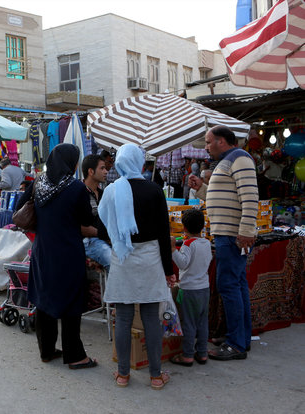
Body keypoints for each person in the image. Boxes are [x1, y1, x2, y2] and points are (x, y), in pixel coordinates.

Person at [99, 143, 174, 390]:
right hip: (151, 256)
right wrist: (169, 269)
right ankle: (155, 376)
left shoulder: (111, 191)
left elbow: (103, 223)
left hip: (122, 256)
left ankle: (122, 375)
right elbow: (164, 233)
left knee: (123, 317)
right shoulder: (154, 190)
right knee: (151, 317)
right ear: (139, 162)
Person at [16, 143, 98, 370]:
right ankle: (75, 356)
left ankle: (47, 351)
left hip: (43, 251)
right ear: (72, 163)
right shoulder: (76, 188)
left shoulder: (38, 183)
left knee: (44, 300)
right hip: (68, 252)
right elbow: (87, 220)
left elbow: (20, 207)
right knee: (71, 303)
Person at [188, 125, 258, 361]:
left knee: (229, 285)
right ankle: (240, 337)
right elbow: (222, 196)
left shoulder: (240, 158)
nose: (206, 147)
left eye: (208, 142)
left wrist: (247, 230)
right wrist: (201, 189)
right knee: (236, 285)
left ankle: (236, 344)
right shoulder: (227, 161)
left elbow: (249, 196)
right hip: (227, 234)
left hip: (232, 235)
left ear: (221, 141)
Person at [168, 209, 212, 367]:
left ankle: (187, 355)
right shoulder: (206, 243)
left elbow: (182, 263)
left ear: (184, 227)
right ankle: (202, 352)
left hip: (190, 289)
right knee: (202, 322)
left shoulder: (188, 244)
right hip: (204, 288)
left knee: (189, 323)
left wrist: (173, 249)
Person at [80, 154, 111, 268]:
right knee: (113, 262)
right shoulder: (79, 192)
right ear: (91, 171)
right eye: (102, 168)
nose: (106, 172)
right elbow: (81, 227)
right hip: (87, 241)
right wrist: (105, 236)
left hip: (102, 239)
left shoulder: (104, 194)